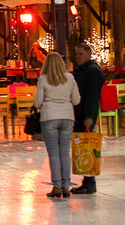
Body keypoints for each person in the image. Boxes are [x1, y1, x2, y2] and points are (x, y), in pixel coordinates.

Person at [34, 52, 81, 199]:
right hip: (67, 117)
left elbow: (37, 103)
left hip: (49, 117)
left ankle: (57, 186)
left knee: (53, 153)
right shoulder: (70, 78)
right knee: (65, 152)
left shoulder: (43, 79)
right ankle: (66, 186)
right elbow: (76, 100)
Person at [70, 42, 104, 195]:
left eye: (80, 54)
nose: (78, 57)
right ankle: (87, 180)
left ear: (89, 55)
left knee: (88, 149)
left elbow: (92, 95)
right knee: (82, 148)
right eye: (76, 54)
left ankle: (90, 182)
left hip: (86, 115)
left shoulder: (93, 71)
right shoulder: (81, 70)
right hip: (78, 114)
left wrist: (90, 117)